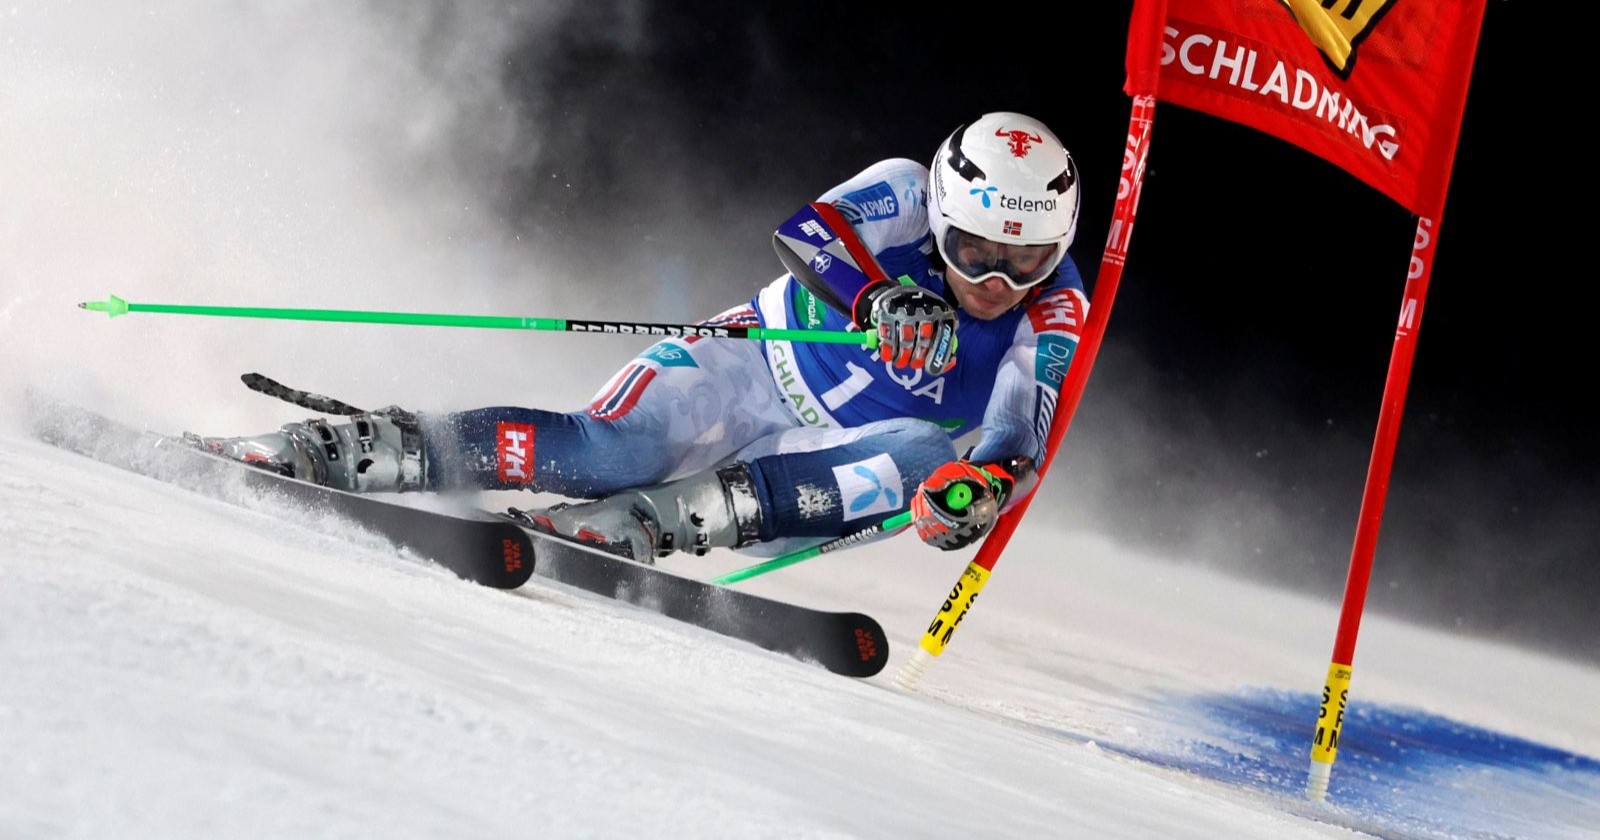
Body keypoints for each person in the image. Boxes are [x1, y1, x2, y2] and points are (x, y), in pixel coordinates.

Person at [198, 111, 1090, 564]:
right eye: (976, 250)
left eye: (1029, 258)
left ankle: (646, 525)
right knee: (610, 452)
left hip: (819, 457)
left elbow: (1018, 434)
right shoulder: (902, 189)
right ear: (942, 213)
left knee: (926, 451)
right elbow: (805, 234)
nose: (997, 280)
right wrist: (879, 301)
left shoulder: (1054, 306)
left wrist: (972, 494)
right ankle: (357, 448)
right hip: (750, 363)